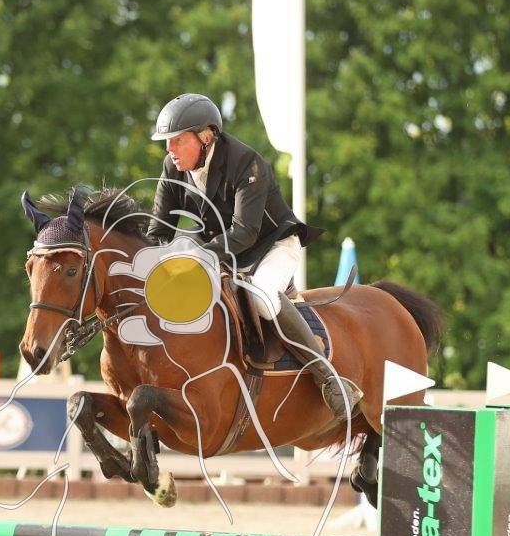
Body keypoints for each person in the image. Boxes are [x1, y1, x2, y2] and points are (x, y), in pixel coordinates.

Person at [147, 92, 361, 416]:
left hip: (271, 246)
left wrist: (196, 257)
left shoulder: (246, 162)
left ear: (206, 137)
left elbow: (245, 231)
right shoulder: (172, 167)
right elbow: (158, 231)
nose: (169, 149)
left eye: (178, 140)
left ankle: (330, 379)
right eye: (168, 141)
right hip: (224, 251)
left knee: (261, 298)